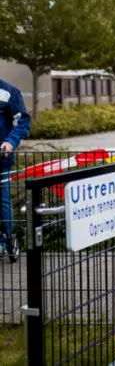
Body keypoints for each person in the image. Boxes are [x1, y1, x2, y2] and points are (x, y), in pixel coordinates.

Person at [0, 79, 31, 259]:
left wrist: (10, 142)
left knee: (2, 200)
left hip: (1, 159)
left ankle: (7, 241)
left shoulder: (9, 91)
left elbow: (22, 122)